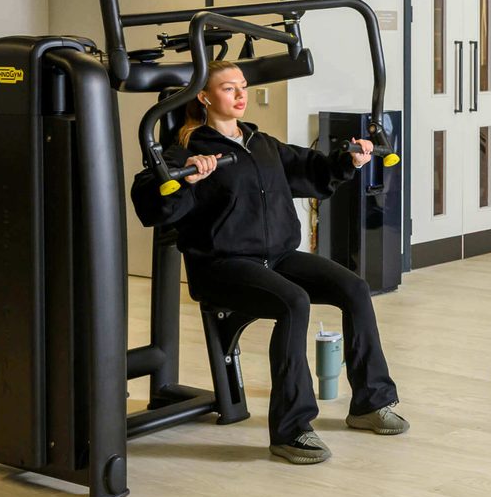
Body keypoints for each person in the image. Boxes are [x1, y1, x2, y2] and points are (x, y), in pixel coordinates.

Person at [130, 60, 406, 465]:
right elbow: (152, 204)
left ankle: (369, 403)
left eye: (242, 87)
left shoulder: (260, 143)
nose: (241, 95)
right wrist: (186, 179)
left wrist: (350, 160)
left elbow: (312, 171)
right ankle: (292, 430)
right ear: (203, 97)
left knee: (354, 289)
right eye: (229, 89)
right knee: (294, 301)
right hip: (221, 265)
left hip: (276, 257)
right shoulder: (187, 150)